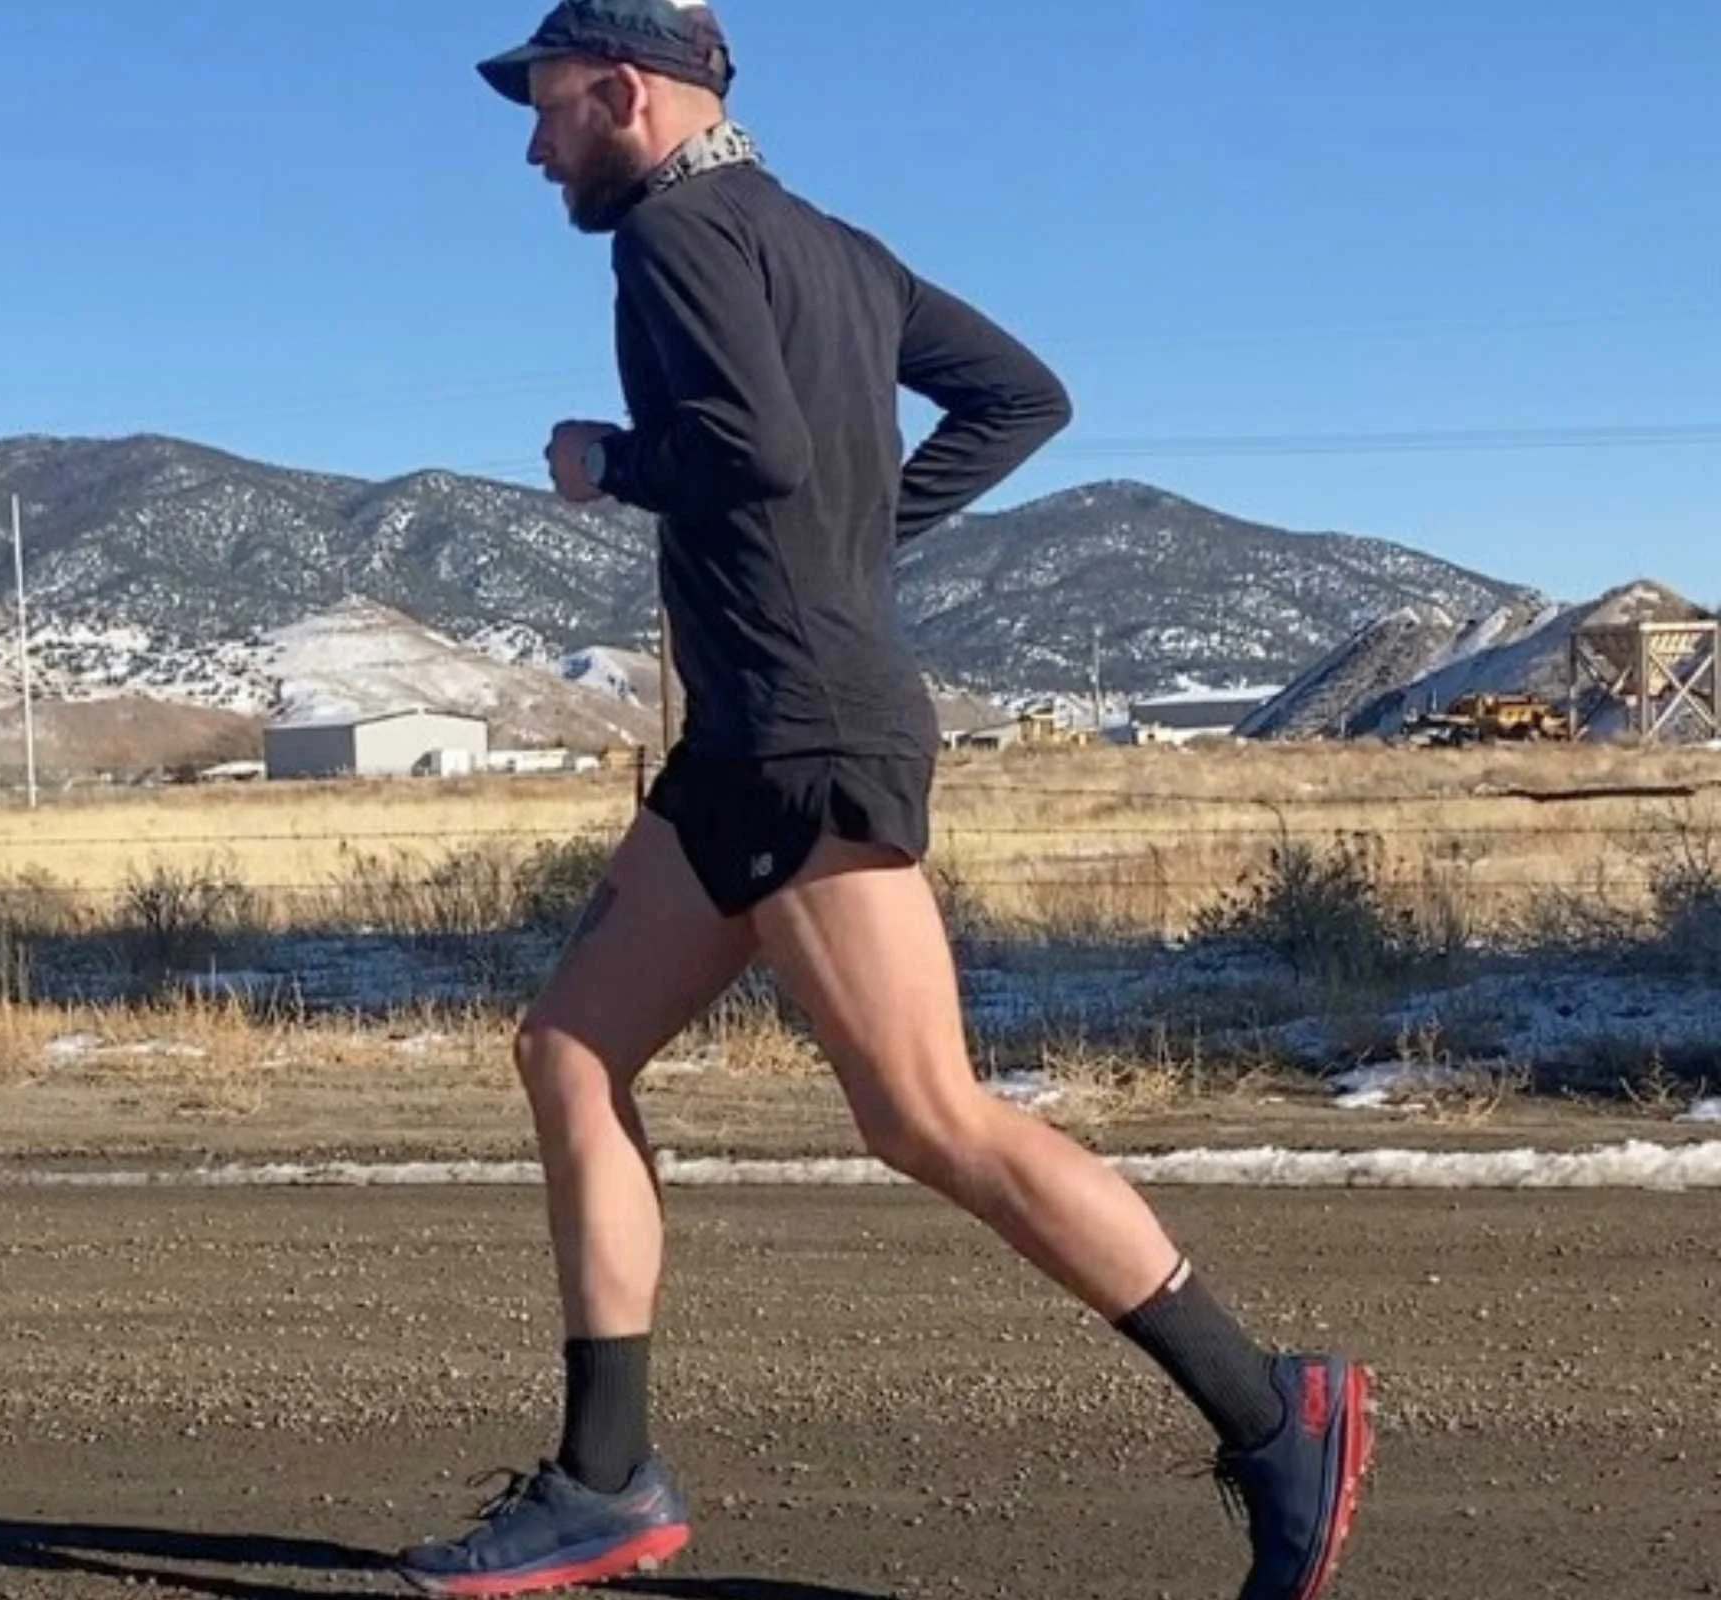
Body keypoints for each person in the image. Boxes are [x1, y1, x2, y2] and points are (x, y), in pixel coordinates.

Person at [393, 4, 1375, 1598]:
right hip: (746, 739)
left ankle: (1277, 1415)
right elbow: (1020, 396)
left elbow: (754, 451)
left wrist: (610, 462)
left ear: (628, 96)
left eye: (552, 107)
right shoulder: (836, 249)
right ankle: (601, 1478)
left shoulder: (673, 236)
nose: (533, 143)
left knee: (925, 1114)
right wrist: (864, 543)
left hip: (802, 733)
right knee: (568, 1050)